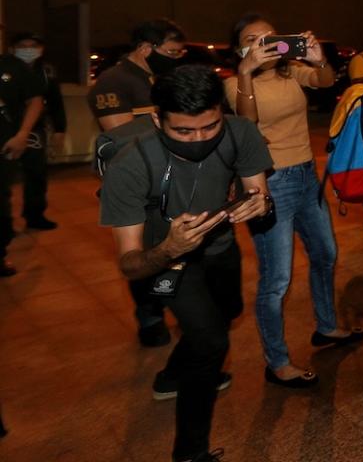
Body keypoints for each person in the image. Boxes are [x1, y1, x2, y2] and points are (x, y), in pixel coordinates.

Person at [100, 65, 272, 462]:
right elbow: (130, 265)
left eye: (209, 127)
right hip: (166, 262)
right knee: (212, 341)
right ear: (157, 118)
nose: (199, 139)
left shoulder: (240, 132)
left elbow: (257, 194)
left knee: (228, 312)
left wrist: (262, 203)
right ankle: (189, 452)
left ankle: (171, 376)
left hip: (221, 246)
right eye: (183, 132)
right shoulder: (130, 165)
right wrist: (169, 248)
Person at [224, 13, 363, 388]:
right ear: (241, 47)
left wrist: (318, 58)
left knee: (325, 254)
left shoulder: (290, 73)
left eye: (271, 36)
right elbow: (247, 121)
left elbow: (324, 80)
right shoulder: (233, 83)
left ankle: (327, 326)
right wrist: (245, 72)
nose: (264, 44)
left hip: (305, 175)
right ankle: (278, 361)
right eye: (254, 39)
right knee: (277, 278)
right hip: (270, 183)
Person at [88, 18, 187, 347]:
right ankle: (150, 316)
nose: (175, 58)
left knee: (176, 248)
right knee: (142, 254)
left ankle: (181, 307)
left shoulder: (158, 77)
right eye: (171, 51)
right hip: (138, 182)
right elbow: (123, 141)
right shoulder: (112, 81)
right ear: (147, 48)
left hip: (172, 176)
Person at [10, 32, 67, 230]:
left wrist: (60, 128)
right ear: (13, 49)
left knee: (36, 173)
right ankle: (4, 223)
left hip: (35, 130)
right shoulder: (6, 68)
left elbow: (55, 100)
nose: (28, 49)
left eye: (32, 45)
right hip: (7, 128)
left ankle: (35, 216)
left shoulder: (46, 70)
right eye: (22, 45)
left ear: (41, 49)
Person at [0, 51, 43, 276]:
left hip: (4, 144)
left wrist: (22, 134)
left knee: (0, 201)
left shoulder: (13, 66)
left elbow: (35, 99)